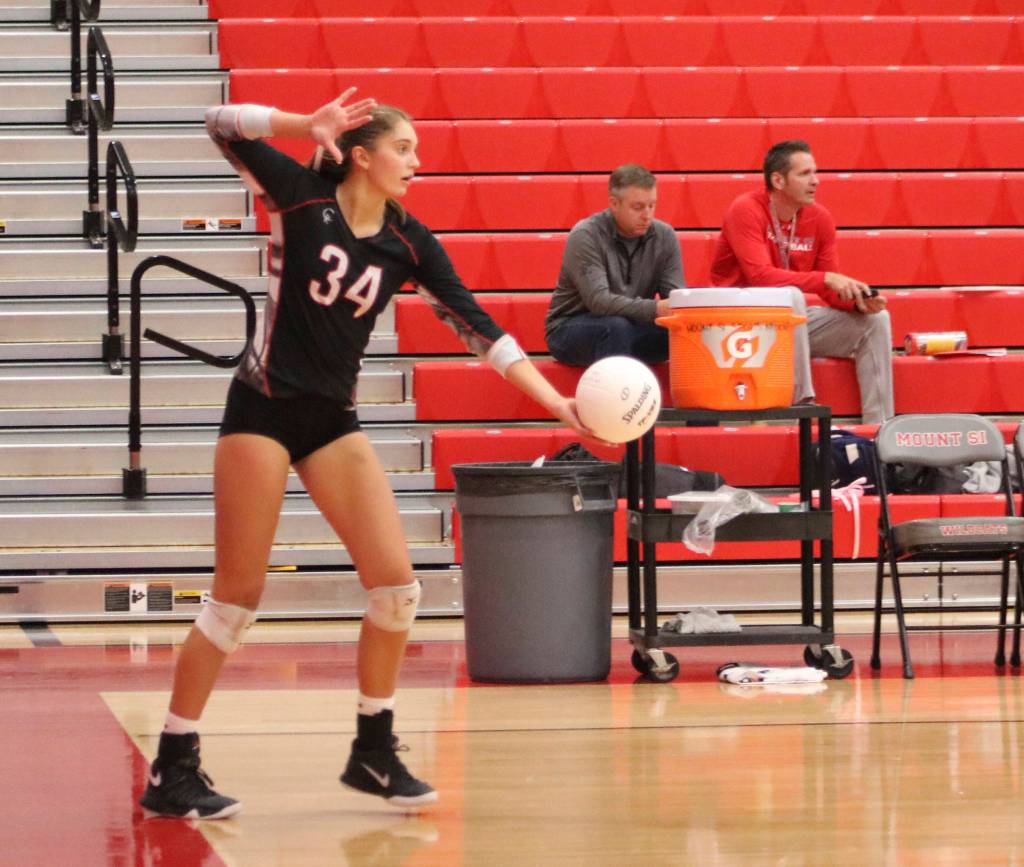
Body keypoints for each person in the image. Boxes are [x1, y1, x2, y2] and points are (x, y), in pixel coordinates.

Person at [138, 89, 590, 820]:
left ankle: (372, 750)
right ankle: (172, 763)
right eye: (404, 148)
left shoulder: (408, 241)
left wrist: (559, 404)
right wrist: (298, 126)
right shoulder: (300, 195)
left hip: (331, 420)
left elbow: (481, 331)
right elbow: (217, 122)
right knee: (236, 598)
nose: (417, 160)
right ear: (361, 155)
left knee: (396, 589)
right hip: (262, 408)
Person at [709, 140, 894, 424]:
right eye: (805, 174)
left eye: (815, 173)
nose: (816, 181)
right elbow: (760, 276)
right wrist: (826, 279)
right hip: (738, 324)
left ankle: (880, 431)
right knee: (791, 296)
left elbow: (830, 293)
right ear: (778, 180)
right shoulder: (745, 209)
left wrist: (857, 302)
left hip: (787, 326)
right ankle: (800, 403)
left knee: (876, 320)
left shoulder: (819, 219)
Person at [545, 164, 684, 367]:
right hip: (570, 327)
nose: (647, 215)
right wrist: (655, 308)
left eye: (651, 205)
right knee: (616, 328)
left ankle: (690, 397)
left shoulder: (664, 236)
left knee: (684, 332)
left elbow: (675, 297)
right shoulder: (586, 235)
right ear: (614, 204)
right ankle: (615, 397)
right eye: (637, 207)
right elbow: (599, 302)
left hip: (631, 325)